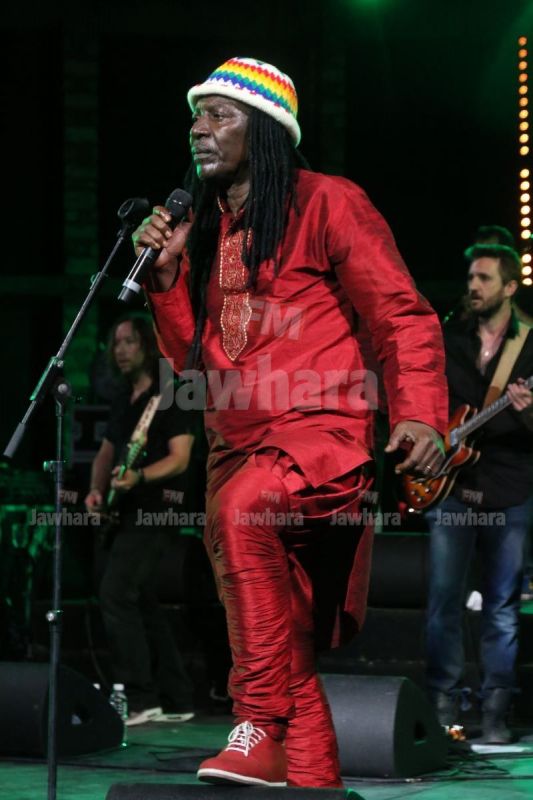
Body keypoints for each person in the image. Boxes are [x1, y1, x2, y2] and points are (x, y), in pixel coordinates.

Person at [133, 56, 447, 788]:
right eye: (196, 114)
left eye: (220, 114)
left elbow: (400, 315)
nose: (199, 128)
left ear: (266, 130)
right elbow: (192, 363)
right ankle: (312, 784)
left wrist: (422, 417)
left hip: (320, 439)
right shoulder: (208, 230)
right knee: (285, 641)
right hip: (234, 448)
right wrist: (167, 279)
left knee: (243, 517)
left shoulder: (328, 202)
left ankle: (256, 723)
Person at [425, 243, 533, 743]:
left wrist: (527, 411)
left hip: (510, 488)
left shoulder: (529, 346)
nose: (473, 286)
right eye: (471, 277)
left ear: (510, 287)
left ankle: (495, 713)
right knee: (442, 602)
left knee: (501, 607)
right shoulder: (450, 338)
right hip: (452, 485)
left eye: (484, 279)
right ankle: (443, 706)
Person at [84, 314, 196, 726]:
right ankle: (177, 697)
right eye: (116, 343)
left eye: (129, 341)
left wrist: (140, 477)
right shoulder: (124, 398)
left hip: (157, 510)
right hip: (125, 510)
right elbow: (106, 452)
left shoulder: (172, 394)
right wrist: (96, 490)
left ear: (148, 344)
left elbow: (180, 458)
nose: (121, 350)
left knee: (115, 593)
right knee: (141, 599)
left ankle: (139, 695)